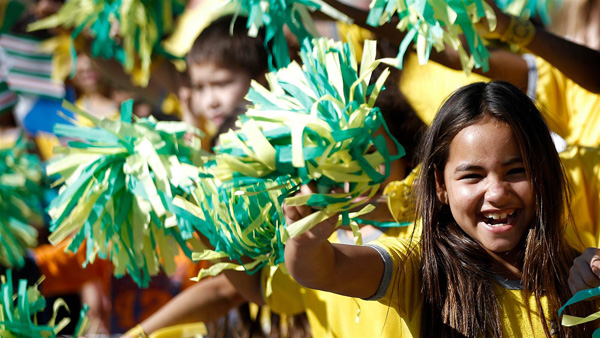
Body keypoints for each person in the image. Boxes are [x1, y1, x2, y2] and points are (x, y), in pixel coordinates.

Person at [284, 81, 598, 337]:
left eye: (517, 171)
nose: (497, 193)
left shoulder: (579, 276)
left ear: (545, 172)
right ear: (440, 185)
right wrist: (305, 241)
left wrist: (590, 304)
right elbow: (323, 269)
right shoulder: (419, 269)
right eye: (472, 176)